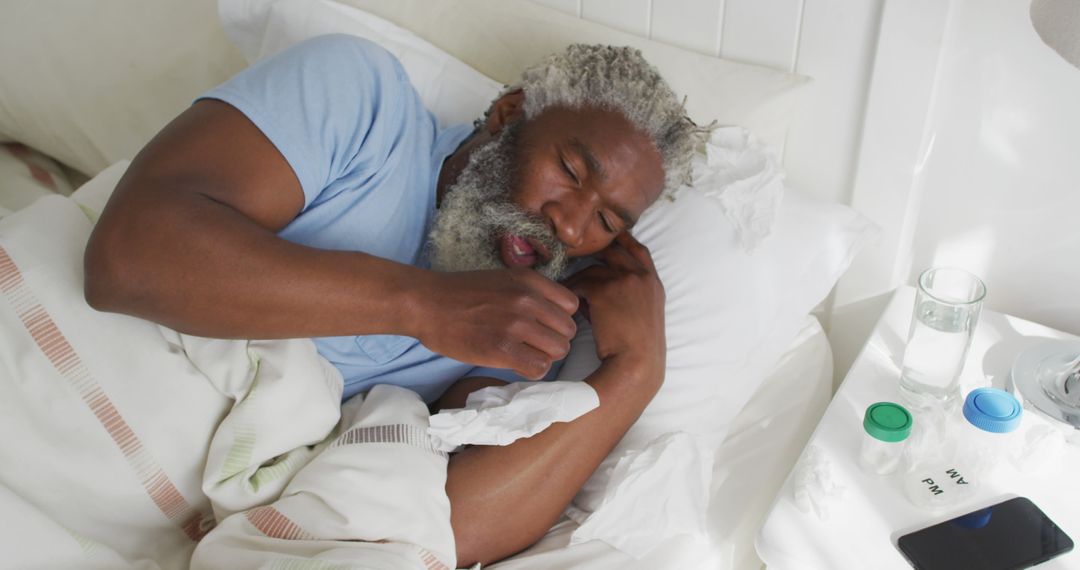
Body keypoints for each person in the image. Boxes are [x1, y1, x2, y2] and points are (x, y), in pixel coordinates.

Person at [83, 34, 696, 565]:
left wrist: (636, 374)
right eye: (569, 170)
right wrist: (422, 305)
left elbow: (444, 529)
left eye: (609, 221)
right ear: (509, 115)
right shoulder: (361, 100)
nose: (570, 228)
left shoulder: (518, 330)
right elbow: (126, 258)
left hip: (139, 524)